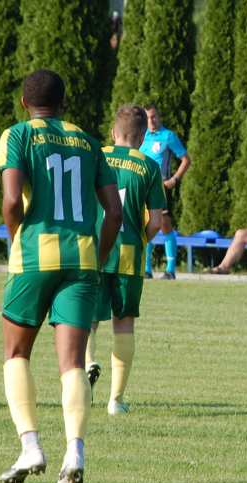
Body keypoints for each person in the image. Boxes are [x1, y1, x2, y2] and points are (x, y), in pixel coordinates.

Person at [0, 69, 123, 483]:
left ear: (23, 102)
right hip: (83, 259)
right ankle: (75, 452)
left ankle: (31, 446)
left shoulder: (17, 135)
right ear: (64, 102)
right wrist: (98, 255)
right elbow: (115, 212)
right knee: (72, 363)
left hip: (36, 256)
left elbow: (12, 199)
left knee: (17, 354)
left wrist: (17, 239)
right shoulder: (89, 142)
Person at [85, 105, 166, 415]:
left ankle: (87, 366)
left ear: (112, 132)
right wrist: (140, 240)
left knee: (87, 320)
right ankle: (115, 401)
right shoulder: (148, 166)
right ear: (143, 136)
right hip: (128, 253)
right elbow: (157, 222)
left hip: (93, 249)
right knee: (124, 323)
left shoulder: (96, 156)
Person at [140, 104, 190, 279]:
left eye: (153, 117)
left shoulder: (168, 136)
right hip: (143, 186)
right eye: (147, 117)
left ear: (159, 117)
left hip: (160, 186)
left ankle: (170, 269)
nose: (151, 121)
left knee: (165, 224)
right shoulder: (142, 136)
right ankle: (145, 269)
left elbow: (185, 159)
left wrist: (174, 179)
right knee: (144, 224)